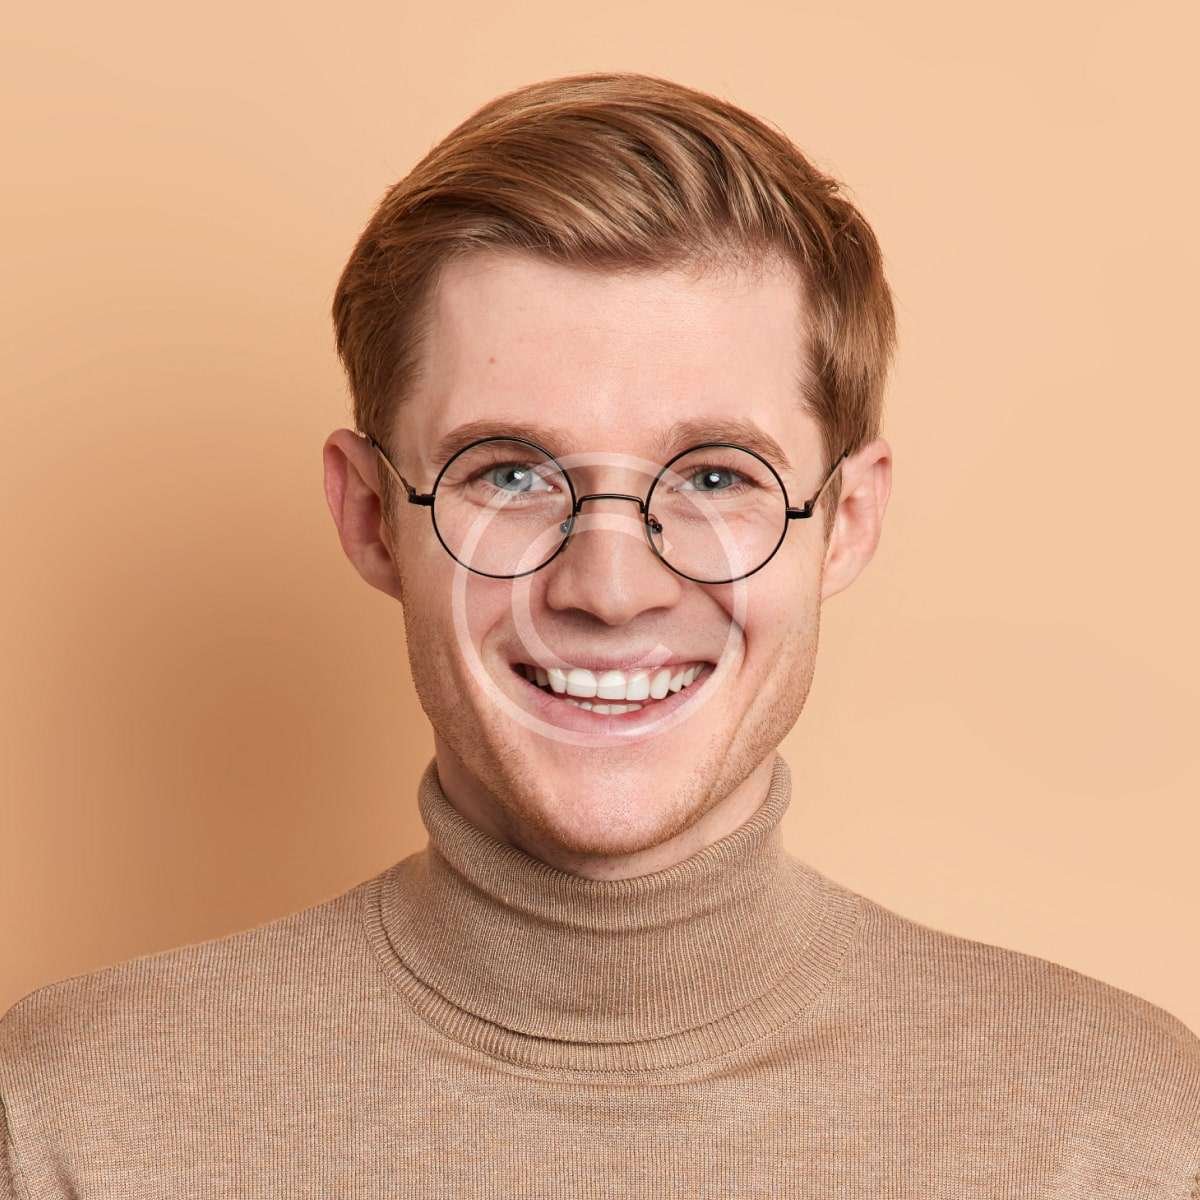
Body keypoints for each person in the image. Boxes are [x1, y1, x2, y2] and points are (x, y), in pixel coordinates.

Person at [2, 71, 1197, 1199]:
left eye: (718, 477)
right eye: (511, 472)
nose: (612, 587)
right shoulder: (70, 1125)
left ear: (846, 522)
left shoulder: (1121, 1135)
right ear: (372, 517)